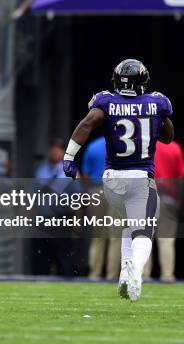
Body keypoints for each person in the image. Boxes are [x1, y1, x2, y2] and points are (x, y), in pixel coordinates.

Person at [63, 59, 174, 301]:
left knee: (127, 224)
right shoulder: (157, 102)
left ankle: (125, 273)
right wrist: (160, 118)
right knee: (144, 232)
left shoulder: (106, 101)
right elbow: (168, 137)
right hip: (141, 179)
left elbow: (87, 123)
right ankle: (136, 273)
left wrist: (69, 156)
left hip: (112, 181)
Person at [32, 139, 79, 277]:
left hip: (61, 218)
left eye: (58, 149)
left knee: (63, 255)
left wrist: (77, 220)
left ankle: (66, 282)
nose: (54, 152)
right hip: (42, 219)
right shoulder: (41, 170)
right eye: (52, 149)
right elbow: (33, 194)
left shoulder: (69, 170)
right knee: (41, 256)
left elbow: (78, 196)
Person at [143, 140, 184, 281]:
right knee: (167, 241)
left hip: (145, 197)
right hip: (168, 198)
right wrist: (179, 199)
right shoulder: (174, 147)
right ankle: (167, 276)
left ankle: (144, 275)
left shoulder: (142, 145)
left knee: (144, 238)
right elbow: (181, 177)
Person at [82, 136, 121, 280]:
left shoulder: (93, 146)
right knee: (115, 237)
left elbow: (85, 175)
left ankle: (94, 274)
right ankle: (112, 275)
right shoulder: (121, 144)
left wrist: (88, 195)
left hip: (96, 190)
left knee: (97, 236)